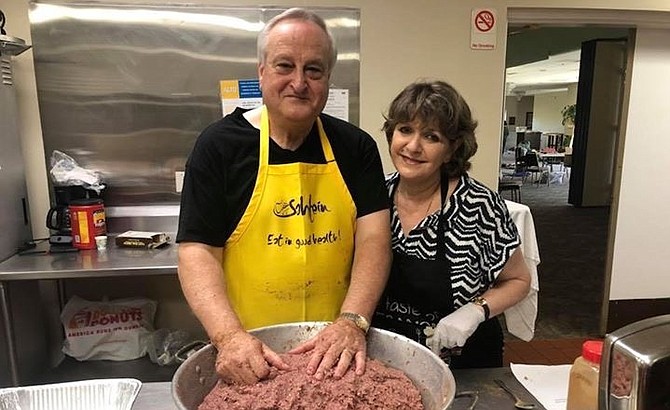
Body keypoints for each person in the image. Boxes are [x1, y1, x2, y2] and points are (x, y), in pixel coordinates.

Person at [176, 8, 391, 385]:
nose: (299, 82)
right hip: (251, 355)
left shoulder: (356, 147)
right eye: (284, 66)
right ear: (261, 72)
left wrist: (352, 321)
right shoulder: (219, 147)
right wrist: (228, 338)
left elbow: (374, 238)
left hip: (336, 354)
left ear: (327, 78)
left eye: (314, 69)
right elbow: (197, 252)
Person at [373, 80, 531, 369]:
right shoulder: (374, 198)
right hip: (389, 360)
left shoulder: (479, 205)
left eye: (431, 137)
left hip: (464, 363)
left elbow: (519, 281)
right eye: (405, 130)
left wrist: (475, 311)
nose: (413, 146)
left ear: (451, 148)